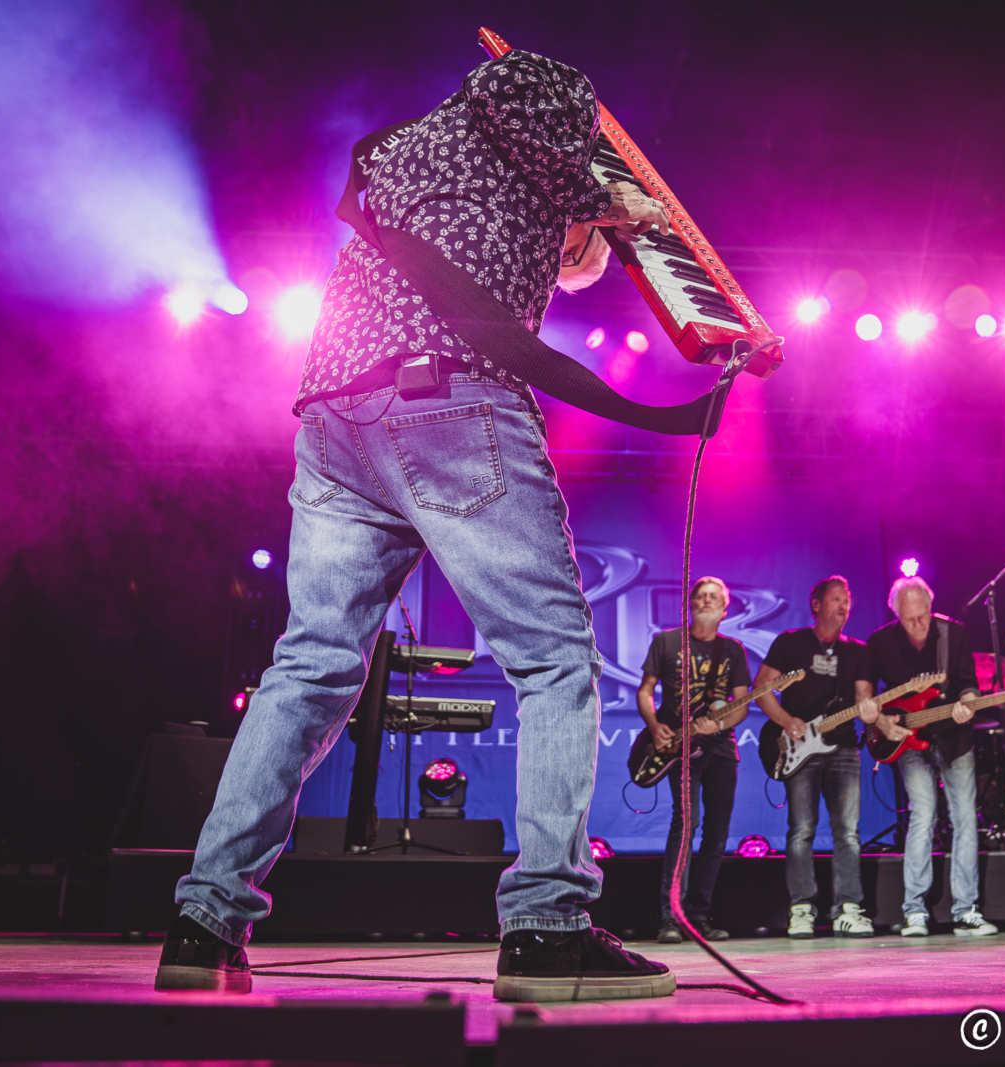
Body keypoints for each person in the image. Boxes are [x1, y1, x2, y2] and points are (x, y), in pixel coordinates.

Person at [157, 48, 677, 1002]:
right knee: (556, 661)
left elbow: (557, 249)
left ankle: (203, 921)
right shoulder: (540, 99)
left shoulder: (408, 150)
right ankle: (548, 928)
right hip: (446, 398)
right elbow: (532, 115)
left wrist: (589, 224)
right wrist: (613, 200)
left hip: (335, 413)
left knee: (310, 667)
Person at [754, 576, 899, 938]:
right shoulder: (790, 642)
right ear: (816, 604)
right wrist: (786, 721)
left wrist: (871, 712)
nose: (843, 605)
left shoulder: (858, 651)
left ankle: (848, 909)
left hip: (844, 747)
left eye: (846, 600)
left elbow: (863, 697)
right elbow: (761, 688)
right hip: (799, 747)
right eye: (835, 599)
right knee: (801, 829)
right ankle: (801, 908)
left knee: (847, 832)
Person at [866, 576, 998, 938]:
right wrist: (879, 721)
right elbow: (865, 693)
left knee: (965, 818)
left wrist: (968, 703)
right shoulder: (880, 642)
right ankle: (914, 911)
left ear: (930, 606)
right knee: (922, 816)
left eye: (922, 616)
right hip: (909, 740)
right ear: (896, 614)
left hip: (954, 738)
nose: (918, 624)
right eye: (909, 619)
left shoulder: (954, 634)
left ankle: (966, 910)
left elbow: (967, 683)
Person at [636, 577, 752, 944]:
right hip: (679, 747)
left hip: (721, 750)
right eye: (700, 596)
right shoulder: (667, 642)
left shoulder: (733, 650)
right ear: (691, 603)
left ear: (725, 608)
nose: (706, 601)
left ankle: (698, 917)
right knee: (685, 824)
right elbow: (645, 691)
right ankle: (670, 917)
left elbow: (741, 705)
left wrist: (719, 723)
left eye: (714, 597)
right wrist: (654, 727)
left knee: (717, 832)